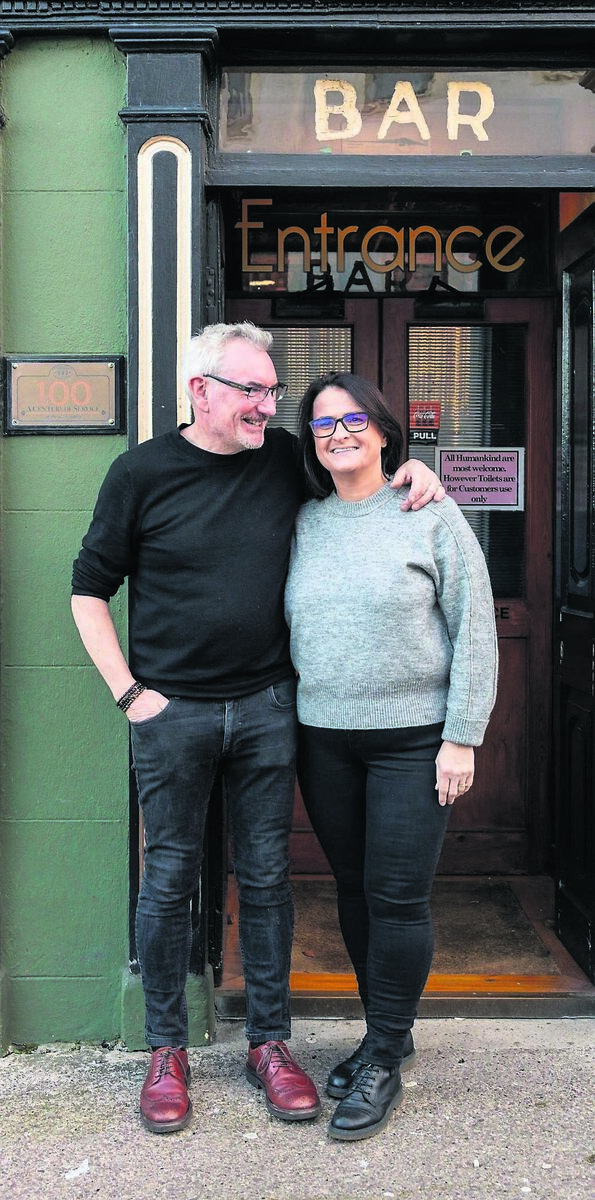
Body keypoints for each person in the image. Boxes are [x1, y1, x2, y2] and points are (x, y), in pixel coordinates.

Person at [70, 323, 445, 1135]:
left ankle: (269, 1045)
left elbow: (361, 474)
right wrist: (129, 692)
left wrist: (420, 469)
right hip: (171, 712)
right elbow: (87, 588)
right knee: (169, 878)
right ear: (200, 389)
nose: (268, 406)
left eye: (273, 393)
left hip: (271, 708)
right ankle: (166, 1050)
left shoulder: (283, 459)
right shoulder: (139, 473)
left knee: (268, 881)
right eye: (253, 391)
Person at [285, 371, 498, 1142]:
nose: (337, 434)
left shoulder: (430, 514)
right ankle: (388, 1029)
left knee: (398, 897)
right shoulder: (302, 518)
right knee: (352, 886)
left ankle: (381, 1060)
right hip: (324, 738)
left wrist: (461, 735)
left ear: (381, 431)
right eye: (320, 425)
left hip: (414, 741)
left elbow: (474, 627)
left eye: (351, 421)